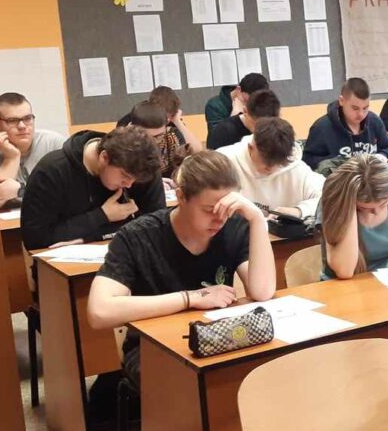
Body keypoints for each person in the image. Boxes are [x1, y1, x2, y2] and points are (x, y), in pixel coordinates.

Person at [87, 151, 275, 387]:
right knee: (189, 382)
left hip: (219, 335)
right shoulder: (138, 236)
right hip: (152, 346)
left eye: (225, 210)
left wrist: (256, 219)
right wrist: (190, 298)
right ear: (181, 197)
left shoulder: (234, 227)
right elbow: (99, 312)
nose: (219, 220)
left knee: (260, 373)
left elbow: (263, 291)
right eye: (209, 210)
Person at [21, 126, 164, 252]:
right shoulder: (52, 171)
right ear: (104, 157)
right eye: (125, 176)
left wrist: (88, 237)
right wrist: (101, 216)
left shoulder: (143, 169)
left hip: (128, 258)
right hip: (66, 268)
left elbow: (156, 230)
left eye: (135, 180)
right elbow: (35, 240)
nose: (129, 185)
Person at [218, 116, 324, 218]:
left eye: (277, 163)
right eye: (266, 161)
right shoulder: (225, 161)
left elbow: (327, 196)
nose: (271, 168)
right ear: (251, 148)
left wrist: (299, 210)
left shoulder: (296, 168)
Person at [0, 92, 64, 210]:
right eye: (12, 120)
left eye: (27, 118)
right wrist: (11, 157)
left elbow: (73, 191)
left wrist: (21, 190)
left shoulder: (54, 143)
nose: (22, 126)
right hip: (8, 221)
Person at [302, 78, 388, 170]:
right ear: (341, 101)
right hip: (337, 178)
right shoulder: (321, 127)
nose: (361, 114)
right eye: (355, 108)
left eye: (365, 108)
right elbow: (308, 161)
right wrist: (338, 162)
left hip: (371, 176)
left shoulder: (374, 121)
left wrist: (383, 156)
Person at [206, 88, 280, 150]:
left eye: (266, 126)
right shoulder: (222, 132)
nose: (260, 130)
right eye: (256, 124)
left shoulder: (275, 129)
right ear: (245, 111)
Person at [204, 72, 268, 126]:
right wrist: (234, 117)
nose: (250, 105)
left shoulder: (259, 102)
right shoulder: (214, 106)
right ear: (238, 90)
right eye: (247, 101)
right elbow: (217, 136)